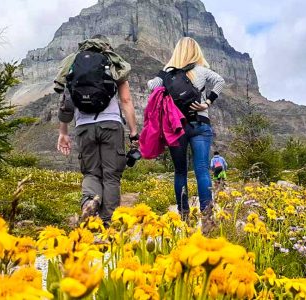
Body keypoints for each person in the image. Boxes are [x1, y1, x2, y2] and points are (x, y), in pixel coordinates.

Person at [55, 35, 138, 225]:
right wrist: (134, 132)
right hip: (111, 125)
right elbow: (126, 101)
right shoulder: (113, 63)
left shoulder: (73, 65)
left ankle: (88, 203)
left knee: (91, 173)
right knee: (111, 175)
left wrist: (63, 132)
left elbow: (65, 103)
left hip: (84, 127)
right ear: (106, 47)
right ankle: (109, 224)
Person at [147, 37, 225, 232]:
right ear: (196, 52)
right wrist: (207, 103)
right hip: (200, 124)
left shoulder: (167, 75)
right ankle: (207, 219)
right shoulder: (200, 70)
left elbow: (151, 86)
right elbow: (220, 81)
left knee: (180, 172)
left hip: (177, 128)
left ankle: (184, 217)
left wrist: (167, 70)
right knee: (201, 170)